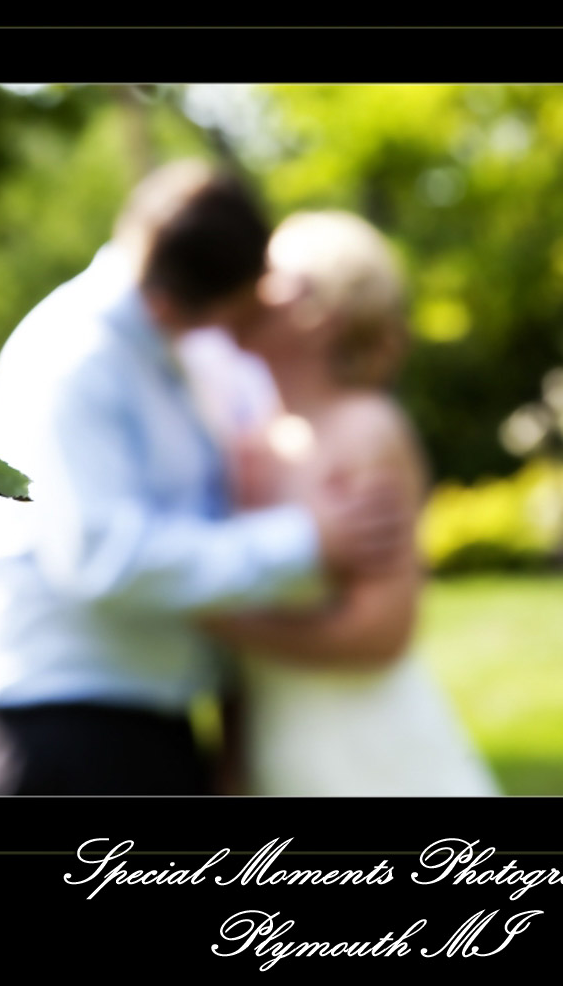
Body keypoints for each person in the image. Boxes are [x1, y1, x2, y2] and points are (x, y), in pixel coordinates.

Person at [0, 160, 409, 795]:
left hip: (143, 726)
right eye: (228, 316)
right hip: (68, 734)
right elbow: (101, 555)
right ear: (172, 302)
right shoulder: (73, 359)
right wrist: (307, 540)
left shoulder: (161, 350)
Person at [191, 210, 498, 795]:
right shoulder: (247, 440)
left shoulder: (366, 430)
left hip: (367, 748)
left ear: (322, 313)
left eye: (271, 275)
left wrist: (220, 619)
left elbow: (382, 632)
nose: (248, 288)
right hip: (273, 743)